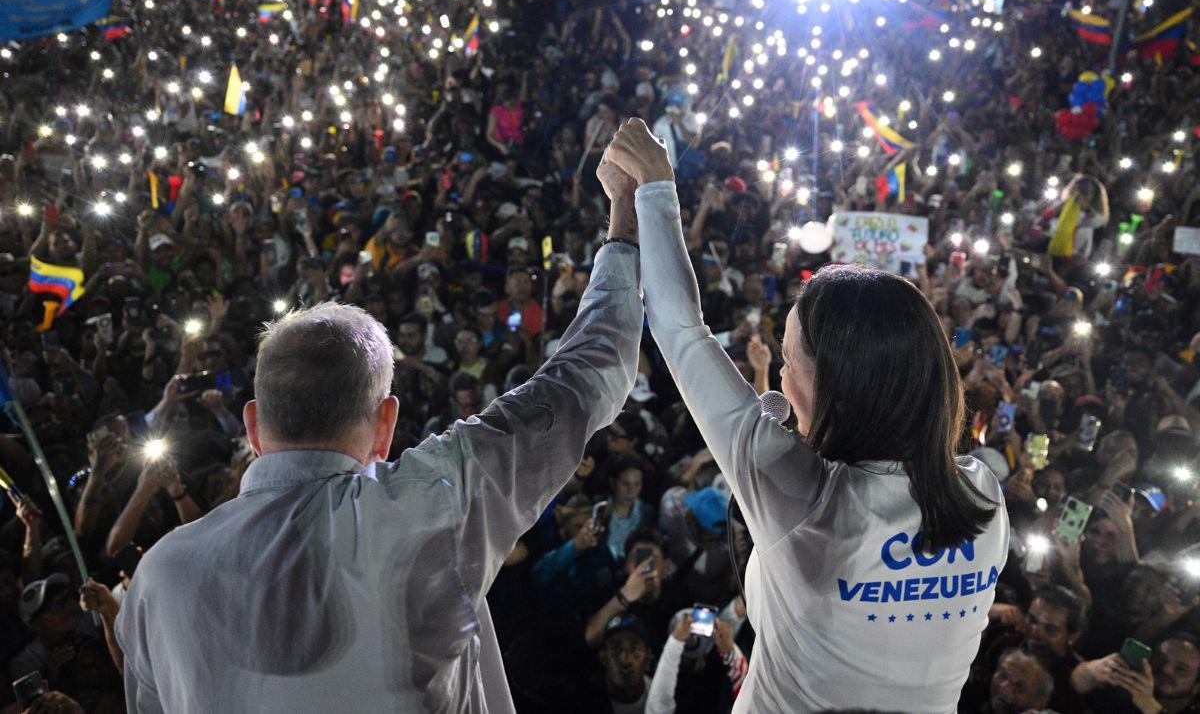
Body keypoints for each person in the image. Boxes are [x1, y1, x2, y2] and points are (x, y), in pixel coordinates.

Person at [113, 161, 645, 712]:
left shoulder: (159, 576)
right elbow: (586, 375)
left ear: (252, 426)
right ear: (385, 424)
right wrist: (625, 218)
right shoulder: (434, 504)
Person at [606, 117, 1009, 712]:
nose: (780, 377)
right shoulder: (984, 497)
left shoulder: (801, 493)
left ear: (835, 388)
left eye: (787, 356)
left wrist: (657, 185)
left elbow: (679, 329)